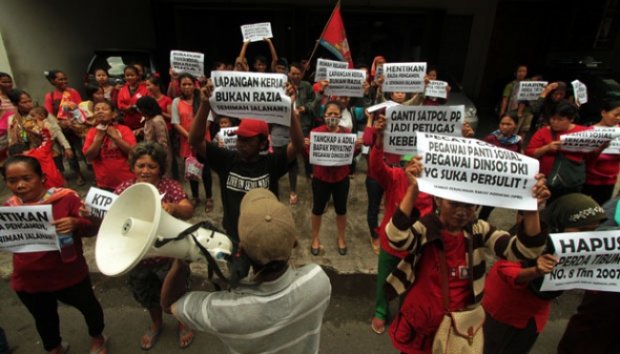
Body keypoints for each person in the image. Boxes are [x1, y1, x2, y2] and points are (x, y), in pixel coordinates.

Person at [384, 157, 549, 354]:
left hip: (459, 330)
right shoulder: (427, 228)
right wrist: (414, 189)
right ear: (437, 199)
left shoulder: (479, 230)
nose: (462, 212)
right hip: (420, 325)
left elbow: (525, 251)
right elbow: (395, 237)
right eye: (454, 204)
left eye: (469, 206)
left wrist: (531, 209)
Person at [160, 188, 331, 354]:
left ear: (240, 248)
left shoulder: (223, 311)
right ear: (294, 243)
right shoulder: (317, 280)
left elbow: (169, 304)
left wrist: (181, 261)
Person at [2, 155, 107, 354]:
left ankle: (98, 337)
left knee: (89, 308)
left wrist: (76, 223)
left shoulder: (66, 198)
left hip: (69, 273)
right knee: (43, 318)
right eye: (12, 180)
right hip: (29, 279)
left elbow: (92, 227)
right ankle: (54, 347)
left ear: (41, 178)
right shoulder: (9, 209)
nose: (20, 185)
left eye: (26, 178)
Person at [483, 193, 607, 354]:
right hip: (503, 311)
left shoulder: (578, 247)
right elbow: (506, 270)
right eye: (582, 229)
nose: (587, 236)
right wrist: (535, 271)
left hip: (533, 317)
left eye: (594, 230)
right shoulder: (533, 237)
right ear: (559, 222)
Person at [188, 83, 304, 244]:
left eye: (247, 140)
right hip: (234, 237)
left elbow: (297, 145)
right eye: (240, 138)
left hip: (265, 236)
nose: (241, 143)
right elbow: (194, 140)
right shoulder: (226, 160)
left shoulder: (272, 163)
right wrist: (205, 104)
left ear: (263, 143)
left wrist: (289, 109)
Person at [114, 142, 194, 350]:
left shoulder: (170, 187)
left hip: (168, 257)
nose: (145, 171)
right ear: (133, 167)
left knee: (176, 292)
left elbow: (188, 209)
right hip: (139, 258)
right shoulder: (124, 190)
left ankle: (182, 323)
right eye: (141, 166)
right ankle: (156, 323)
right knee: (149, 296)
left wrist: (174, 207)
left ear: (161, 168)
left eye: (151, 166)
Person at [305, 101, 362, 256]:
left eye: (335, 114)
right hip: (321, 177)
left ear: (340, 117)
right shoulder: (315, 133)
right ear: (324, 116)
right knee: (317, 209)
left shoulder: (347, 133)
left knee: (341, 209)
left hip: (341, 178)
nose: (332, 117)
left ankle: (341, 238)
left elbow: (351, 157)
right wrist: (307, 145)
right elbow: (310, 155)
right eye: (329, 114)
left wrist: (357, 148)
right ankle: (315, 238)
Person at [526, 101, 589, 201]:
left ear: (571, 119)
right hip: (544, 179)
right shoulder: (543, 132)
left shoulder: (584, 133)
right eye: (552, 118)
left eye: (560, 119)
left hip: (569, 181)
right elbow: (529, 153)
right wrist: (547, 148)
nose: (554, 122)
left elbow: (590, 155)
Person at [171, 73, 214, 211]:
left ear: (194, 84)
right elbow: (176, 122)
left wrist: (198, 136)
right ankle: (195, 197)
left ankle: (209, 198)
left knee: (206, 172)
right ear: (180, 86)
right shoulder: (176, 102)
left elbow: (209, 119)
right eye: (184, 84)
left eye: (189, 83)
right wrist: (190, 137)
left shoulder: (202, 98)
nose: (187, 87)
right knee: (191, 171)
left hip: (203, 142)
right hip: (187, 143)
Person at [82, 100, 136, 191]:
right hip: (104, 183)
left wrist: (116, 137)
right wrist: (98, 138)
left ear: (114, 114)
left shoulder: (124, 129)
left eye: (104, 109)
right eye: (97, 109)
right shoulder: (92, 132)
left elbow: (133, 152)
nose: (100, 111)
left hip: (127, 181)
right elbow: (89, 156)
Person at [479, 112, 523, 220]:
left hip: (499, 181)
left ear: (515, 125)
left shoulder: (518, 141)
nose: (505, 126)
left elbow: (519, 156)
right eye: (502, 123)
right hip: (486, 177)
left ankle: (480, 224)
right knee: (475, 202)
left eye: (509, 124)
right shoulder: (491, 138)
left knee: (488, 206)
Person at [582, 100, 620, 205]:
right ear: (603, 113)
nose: (618, 118)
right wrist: (600, 149)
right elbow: (585, 159)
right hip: (589, 181)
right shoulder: (590, 131)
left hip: (610, 181)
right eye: (616, 114)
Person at [136, 96, 173, 177]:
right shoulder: (149, 118)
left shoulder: (156, 120)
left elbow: (162, 143)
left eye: (139, 108)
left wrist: (160, 159)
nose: (138, 111)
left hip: (158, 157)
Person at [116, 65, 149, 134]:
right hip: (127, 121)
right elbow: (120, 104)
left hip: (143, 122)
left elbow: (148, 103)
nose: (129, 77)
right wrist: (129, 107)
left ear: (138, 76)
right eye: (127, 75)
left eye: (132, 75)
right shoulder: (122, 89)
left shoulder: (145, 89)